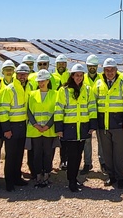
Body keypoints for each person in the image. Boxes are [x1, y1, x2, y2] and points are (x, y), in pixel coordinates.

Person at [54, 64, 97, 192]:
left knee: (78, 155)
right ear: (72, 76)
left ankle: (74, 178)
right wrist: (59, 128)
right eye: (76, 75)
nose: (79, 78)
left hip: (83, 127)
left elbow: (92, 108)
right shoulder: (64, 90)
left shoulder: (88, 90)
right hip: (69, 128)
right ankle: (71, 181)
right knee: (72, 155)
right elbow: (58, 109)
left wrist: (92, 125)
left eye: (80, 75)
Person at [94, 58, 123, 188]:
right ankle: (111, 176)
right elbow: (93, 103)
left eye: (112, 70)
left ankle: (120, 177)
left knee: (119, 152)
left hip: (118, 123)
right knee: (107, 152)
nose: (109, 72)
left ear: (116, 70)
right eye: (107, 70)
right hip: (103, 123)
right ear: (104, 71)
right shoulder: (98, 84)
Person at [26, 70, 57, 188]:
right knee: (37, 154)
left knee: (48, 153)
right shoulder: (32, 94)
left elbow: (56, 112)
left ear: (48, 81)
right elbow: (28, 111)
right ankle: (38, 175)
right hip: (35, 130)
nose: (41, 83)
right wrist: (36, 125)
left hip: (49, 130)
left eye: (43, 81)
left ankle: (47, 174)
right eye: (39, 81)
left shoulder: (55, 94)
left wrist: (47, 125)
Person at [3, 64, 30, 191]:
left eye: (24, 74)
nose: (22, 76)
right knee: (11, 155)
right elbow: (3, 111)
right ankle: (9, 181)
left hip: (23, 126)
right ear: (16, 74)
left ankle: (17, 177)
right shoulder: (10, 89)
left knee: (19, 154)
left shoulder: (29, 87)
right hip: (12, 127)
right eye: (20, 74)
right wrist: (6, 129)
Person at [82, 54, 102, 174]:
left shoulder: (102, 78)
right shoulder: (82, 78)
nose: (92, 68)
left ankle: (103, 163)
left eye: (94, 66)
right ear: (87, 66)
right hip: (86, 114)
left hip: (100, 113)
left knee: (101, 140)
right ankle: (87, 163)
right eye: (90, 66)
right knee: (87, 140)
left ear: (97, 66)